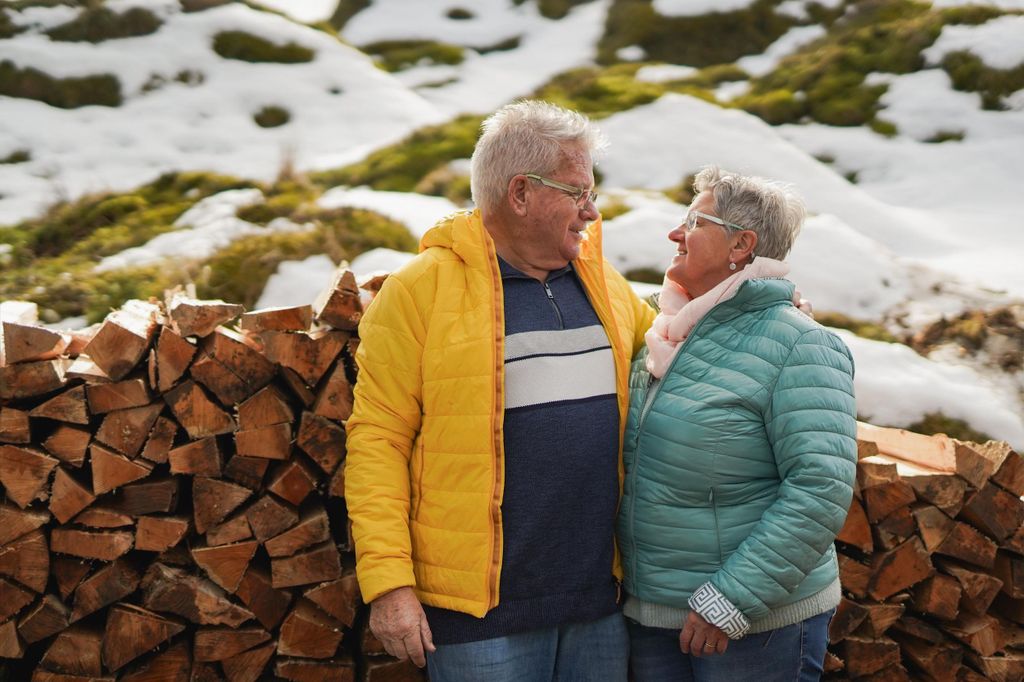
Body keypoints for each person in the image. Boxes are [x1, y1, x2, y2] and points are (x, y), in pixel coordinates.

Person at [344, 100, 656, 681]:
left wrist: (759, 310)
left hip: (597, 607)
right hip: (478, 621)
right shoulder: (419, 291)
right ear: (520, 192)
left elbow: (669, 341)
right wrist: (389, 585)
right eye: (577, 191)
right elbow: (377, 442)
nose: (591, 210)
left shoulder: (601, 281)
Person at [617, 167, 857, 681]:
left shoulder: (801, 344)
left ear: (741, 245)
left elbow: (820, 485)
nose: (675, 234)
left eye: (694, 221)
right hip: (652, 615)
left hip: (752, 626)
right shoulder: (665, 330)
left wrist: (732, 599)